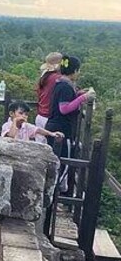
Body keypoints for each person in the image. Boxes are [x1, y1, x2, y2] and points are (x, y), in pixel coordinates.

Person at [44, 56, 95, 191]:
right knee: (62, 166)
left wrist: (77, 95)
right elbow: (64, 108)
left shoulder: (60, 83)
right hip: (62, 130)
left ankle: (51, 200)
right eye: (78, 70)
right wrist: (84, 98)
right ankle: (52, 199)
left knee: (55, 164)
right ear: (74, 71)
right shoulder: (66, 86)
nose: (78, 74)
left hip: (54, 127)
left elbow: (65, 102)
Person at [35, 52, 63, 144]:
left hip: (40, 116)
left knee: (39, 146)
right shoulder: (57, 78)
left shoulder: (43, 77)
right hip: (49, 118)